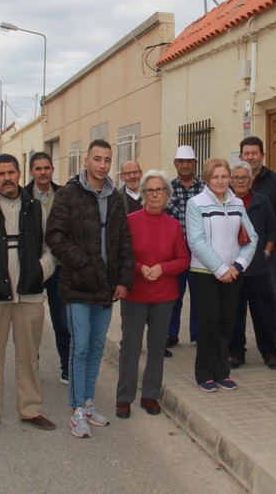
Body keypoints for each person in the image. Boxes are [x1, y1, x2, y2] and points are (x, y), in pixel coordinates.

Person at [45, 139, 134, 438]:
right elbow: (54, 235)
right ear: (86, 161)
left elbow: (123, 241)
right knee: (79, 347)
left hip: (107, 287)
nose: (102, 165)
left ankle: (89, 401)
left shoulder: (116, 198)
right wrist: (81, 261)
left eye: (107, 160)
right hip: (79, 285)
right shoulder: (69, 194)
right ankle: (76, 410)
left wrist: (123, 279)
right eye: (97, 159)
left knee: (96, 347)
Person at [0, 154, 57, 434]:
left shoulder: (37, 209)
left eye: (11, 173)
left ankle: (30, 409)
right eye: (1, 174)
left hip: (28, 297)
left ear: (19, 174)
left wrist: (39, 273)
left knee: (28, 356)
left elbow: (51, 249)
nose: (7, 178)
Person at [116, 169, 189, 418]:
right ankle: (124, 397)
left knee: (157, 348)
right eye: (150, 190)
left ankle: (150, 395)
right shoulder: (131, 220)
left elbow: (183, 260)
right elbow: (122, 256)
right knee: (130, 346)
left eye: (159, 190)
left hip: (164, 297)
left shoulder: (174, 226)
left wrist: (162, 268)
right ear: (143, 193)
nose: (155, 194)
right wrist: (140, 268)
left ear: (167, 194)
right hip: (135, 295)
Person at [186, 157, 257, 392]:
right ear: (207, 178)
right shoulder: (196, 203)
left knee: (227, 322)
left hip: (233, 273)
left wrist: (238, 265)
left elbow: (252, 238)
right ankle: (204, 373)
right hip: (205, 272)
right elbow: (196, 241)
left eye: (224, 176)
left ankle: (221, 371)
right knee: (209, 322)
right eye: (215, 176)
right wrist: (220, 269)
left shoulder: (237, 203)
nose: (220, 181)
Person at [227, 160, 276, 370]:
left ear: (251, 180)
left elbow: (272, 228)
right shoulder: (226, 202)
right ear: (231, 181)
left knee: (262, 312)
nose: (241, 181)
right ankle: (236, 352)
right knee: (235, 313)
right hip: (234, 268)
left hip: (258, 267)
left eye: (245, 177)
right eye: (237, 177)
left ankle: (269, 352)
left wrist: (268, 250)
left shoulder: (262, 201)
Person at [239, 136, 276, 357]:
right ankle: (236, 346)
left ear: (262, 155)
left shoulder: (275, 182)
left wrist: (273, 246)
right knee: (239, 301)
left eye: (254, 153)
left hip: (268, 253)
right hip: (238, 256)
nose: (251, 157)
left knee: (271, 297)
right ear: (241, 156)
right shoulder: (235, 182)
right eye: (246, 153)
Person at [24, 151, 70, 384]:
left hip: (59, 266)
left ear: (52, 170)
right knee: (30, 322)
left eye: (46, 168)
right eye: (38, 168)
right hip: (31, 267)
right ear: (31, 171)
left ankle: (67, 368)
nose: (42, 172)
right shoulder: (21, 196)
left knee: (62, 320)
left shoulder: (64, 194)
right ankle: (31, 365)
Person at [166, 145, 205, 351]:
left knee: (200, 295)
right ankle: (171, 333)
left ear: (195, 163)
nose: (185, 165)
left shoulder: (206, 188)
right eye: (180, 161)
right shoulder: (168, 189)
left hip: (200, 251)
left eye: (189, 161)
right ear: (175, 164)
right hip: (176, 252)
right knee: (174, 295)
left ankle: (198, 334)